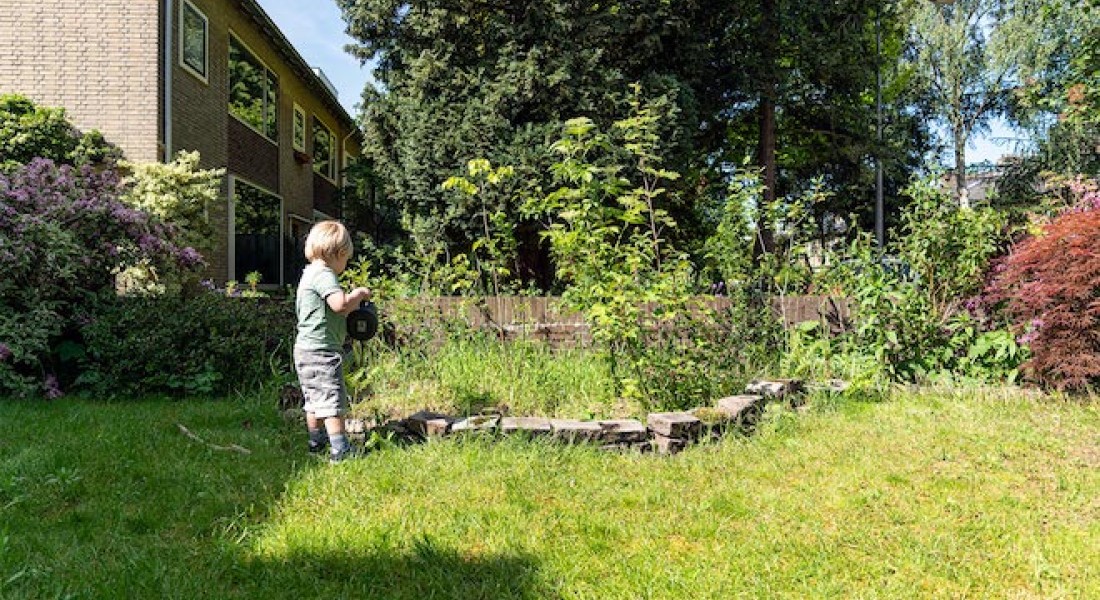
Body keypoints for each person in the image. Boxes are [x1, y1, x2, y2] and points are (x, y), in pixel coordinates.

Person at [293, 220, 371, 463]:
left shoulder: (308, 273)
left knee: (313, 400)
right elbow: (340, 305)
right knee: (331, 400)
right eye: (346, 259)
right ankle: (340, 450)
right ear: (338, 253)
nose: (344, 266)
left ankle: (316, 442)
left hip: (304, 349)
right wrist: (359, 294)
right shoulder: (324, 274)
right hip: (322, 350)